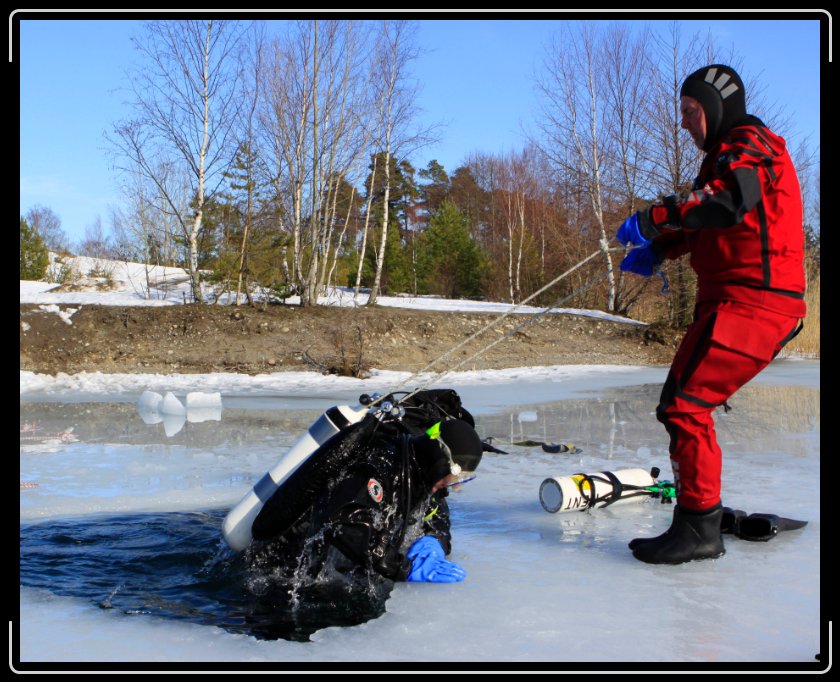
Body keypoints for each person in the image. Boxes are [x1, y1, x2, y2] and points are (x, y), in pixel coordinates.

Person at [614, 64, 807, 565]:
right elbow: (712, 220)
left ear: (717, 106)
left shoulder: (750, 144)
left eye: (689, 111)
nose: (683, 123)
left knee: (684, 405)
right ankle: (696, 520)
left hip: (755, 301)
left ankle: (698, 528)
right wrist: (662, 247)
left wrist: (654, 218)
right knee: (683, 404)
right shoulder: (726, 156)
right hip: (735, 300)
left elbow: (728, 202)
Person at [249, 389, 486, 584]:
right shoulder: (380, 464)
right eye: (455, 476)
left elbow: (436, 513)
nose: (452, 487)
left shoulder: (421, 475)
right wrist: (400, 567)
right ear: (439, 460)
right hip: (282, 570)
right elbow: (347, 524)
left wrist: (435, 539)